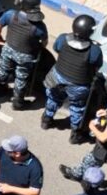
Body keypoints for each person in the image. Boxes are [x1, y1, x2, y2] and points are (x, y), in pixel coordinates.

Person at [43, 14, 103, 144]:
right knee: (77, 107)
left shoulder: (62, 38)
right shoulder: (95, 50)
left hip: (57, 77)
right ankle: (75, 134)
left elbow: (56, 48)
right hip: (78, 85)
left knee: (53, 98)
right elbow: (97, 65)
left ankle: (46, 120)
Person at [0, 0, 48, 110]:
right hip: (26, 56)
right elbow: (44, 42)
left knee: (3, 70)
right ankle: (17, 102)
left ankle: (0, 90)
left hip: (8, 49)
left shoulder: (10, 14)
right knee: (21, 78)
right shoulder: (39, 26)